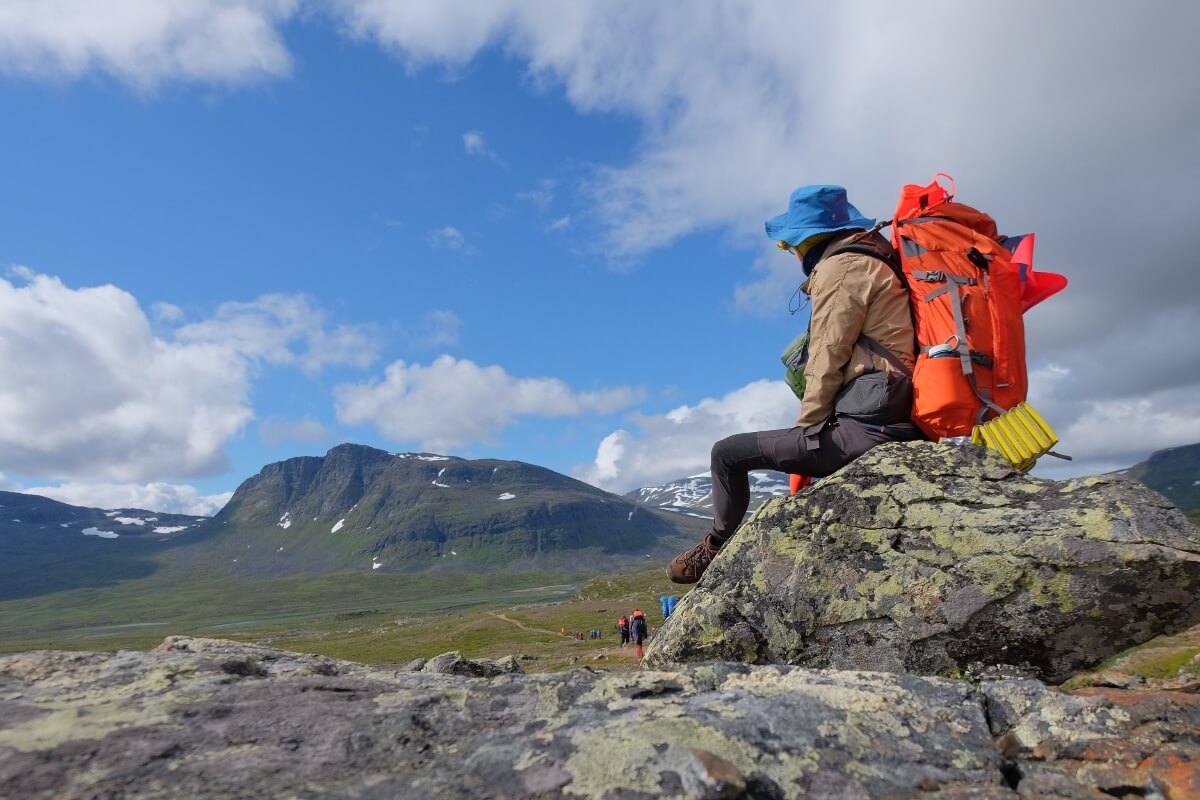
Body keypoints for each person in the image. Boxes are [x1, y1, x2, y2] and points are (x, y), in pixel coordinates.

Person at [666, 185, 920, 584]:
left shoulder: (843, 268)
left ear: (807, 239)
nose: (791, 254)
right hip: (892, 415)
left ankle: (714, 549)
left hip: (870, 428)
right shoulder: (875, 260)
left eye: (788, 244)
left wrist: (808, 434)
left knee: (727, 453)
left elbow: (827, 355)